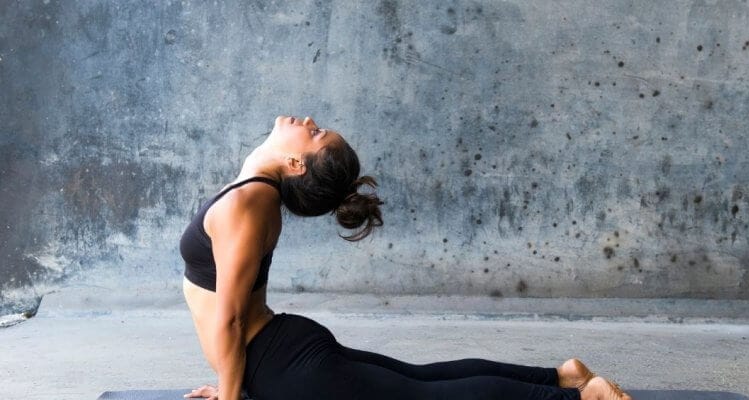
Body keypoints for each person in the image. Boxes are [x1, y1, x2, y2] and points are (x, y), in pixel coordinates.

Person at [179, 115, 632, 400]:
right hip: (278, 353)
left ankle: (579, 396)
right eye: (316, 130)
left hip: (279, 362)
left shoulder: (247, 204)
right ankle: (560, 376)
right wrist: (230, 387)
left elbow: (231, 319)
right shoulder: (253, 194)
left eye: (314, 134)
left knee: (422, 394)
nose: (310, 121)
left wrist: (230, 396)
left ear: (296, 164)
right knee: (420, 379)